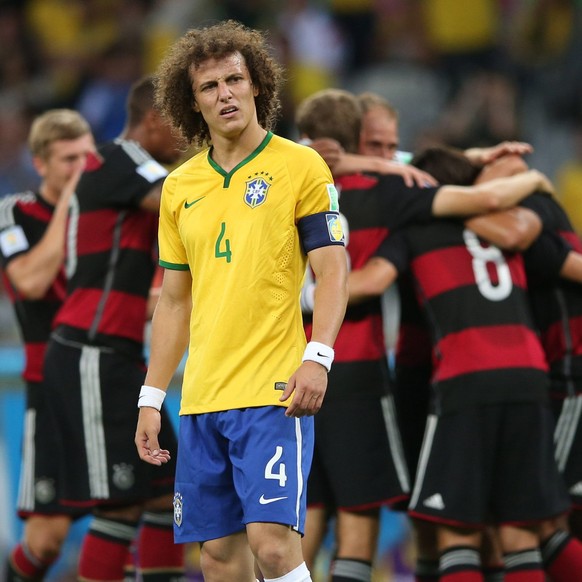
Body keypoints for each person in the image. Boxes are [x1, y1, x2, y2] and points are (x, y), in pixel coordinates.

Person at [294, 88, 552, 582]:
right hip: (364, 372)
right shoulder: (396, 197)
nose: (391, 157)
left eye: (395, 147)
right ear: (353, 143)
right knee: (372, 520)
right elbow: (482, 201)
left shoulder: (288, 188)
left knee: (308, 517)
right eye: (380, 146)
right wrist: (530, 176)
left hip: (297, 369)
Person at [134, 20, 349, 582]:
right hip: (203, 397)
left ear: (258, 86)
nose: (225, 93)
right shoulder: (180, 188)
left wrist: (318, 356)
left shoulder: (300, 167)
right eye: (210, 87)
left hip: (275, 391)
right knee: (219, 558)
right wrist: (152, 397)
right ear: (193, 102)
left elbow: (333, 271)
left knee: (273, 547)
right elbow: (174, 303)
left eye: (235, 79)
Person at [349, 146, 571, 581]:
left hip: (466, 380)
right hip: (530, 375)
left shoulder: (416, 226)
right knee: (520, 534)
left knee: (456, 535)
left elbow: (374, 278)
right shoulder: (510, 223)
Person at [39, 76, 186, 581]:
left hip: (116, 355)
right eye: (179, 121)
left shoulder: (124, 168)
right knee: (119, 504)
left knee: (168, 488)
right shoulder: (120, 159)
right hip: (89, 353)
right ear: (152, 120)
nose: (187, 133)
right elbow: (182, 201)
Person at [1, 109, 95, 582]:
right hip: (50, 388)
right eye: (69, 159)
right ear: (40, 164)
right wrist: (69, 207)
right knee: (46, 538)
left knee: (150, 500)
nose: (82, 167)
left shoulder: (110, 213)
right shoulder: (15, 212)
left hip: (112, 374)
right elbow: (31, 280)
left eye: (88, 156)